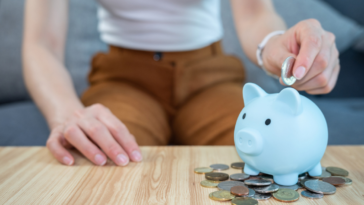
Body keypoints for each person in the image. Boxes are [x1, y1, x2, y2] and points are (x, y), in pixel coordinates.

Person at [22, 0, 339, 167]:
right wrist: (66, 116)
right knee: (99, 161)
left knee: (274, 154)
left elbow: (255, 13)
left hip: (210, 77)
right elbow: (41, 43)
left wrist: (275, 45)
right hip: (123, 80)